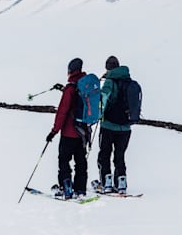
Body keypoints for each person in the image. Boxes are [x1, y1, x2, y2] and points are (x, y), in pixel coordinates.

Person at [46, 57, 88, 198]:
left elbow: (63, 111)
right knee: (80, 161)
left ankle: (66, 187)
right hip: (83, 132)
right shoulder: (86, 86)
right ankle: (80, 189)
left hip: (69, 132)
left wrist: (54, 131)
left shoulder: (71, 88)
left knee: (64, 160)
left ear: (70, 71)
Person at [97, 55, 132, 193]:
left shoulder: (110, 82)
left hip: (109, 125)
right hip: (126, 127)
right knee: (120, 155)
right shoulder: (129, 81)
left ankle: (107, 182)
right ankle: (121, 182)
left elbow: (103, 99)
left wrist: (99, 114)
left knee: (104, 154)